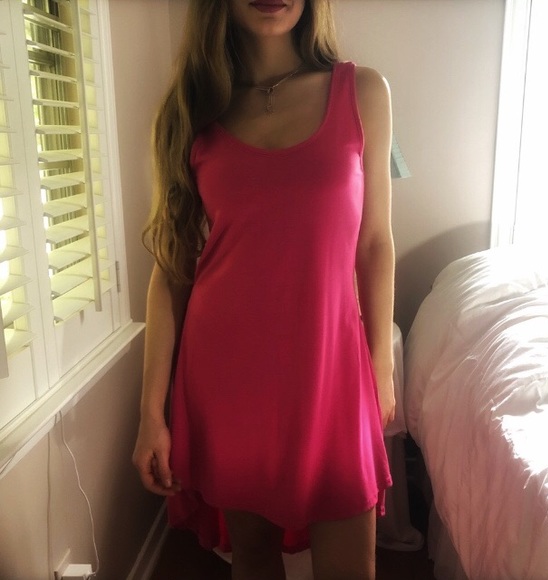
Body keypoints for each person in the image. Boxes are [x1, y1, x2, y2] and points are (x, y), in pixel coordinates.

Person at [132, 1, 396, 578]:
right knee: (251, 555)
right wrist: (151, 411)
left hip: (331, 371)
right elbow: (172, 266)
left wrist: (381, 363)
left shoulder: (363, 93)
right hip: (227, 376)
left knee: (352, 565)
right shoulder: (190, 109)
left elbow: (375, 243)